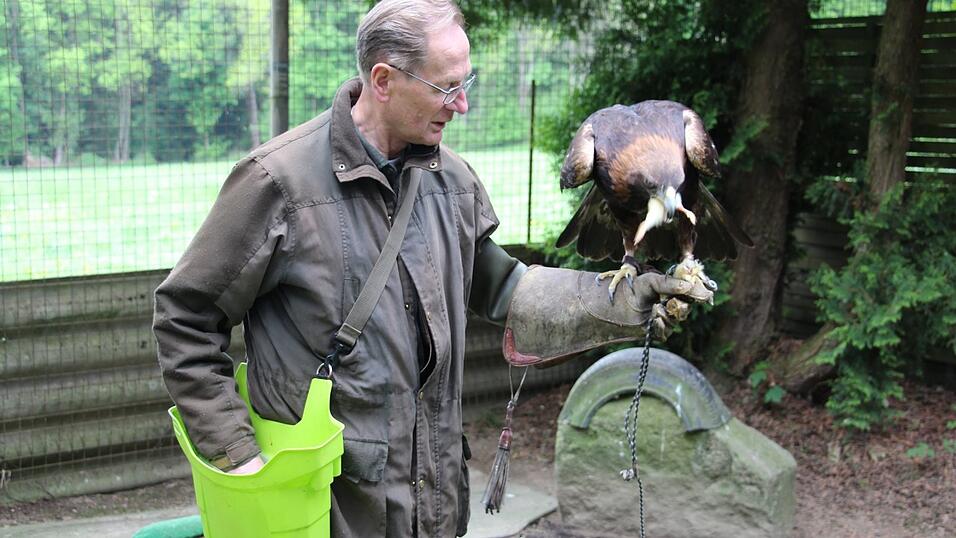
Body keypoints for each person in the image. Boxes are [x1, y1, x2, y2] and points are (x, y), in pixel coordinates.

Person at [153, 0, 711, 536]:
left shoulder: (453, 182)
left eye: (465, 83)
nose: (461, 104)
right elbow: (185, 315)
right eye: (446, 87)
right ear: (384, 80)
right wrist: (236, 452)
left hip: (432, 500)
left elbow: (506, 291)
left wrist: (620, 303)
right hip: (325, 504)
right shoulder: (279, 184)